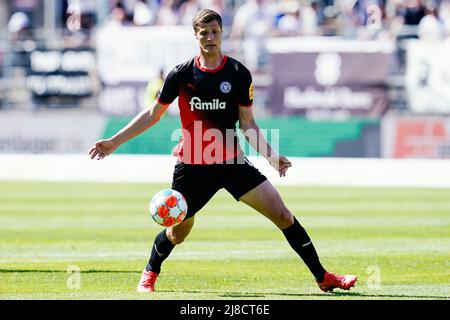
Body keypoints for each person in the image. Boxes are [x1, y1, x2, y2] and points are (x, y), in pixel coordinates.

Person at [89, 9, 357, 294]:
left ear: (222, 32)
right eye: (204, 32)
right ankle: (150, 272)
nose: (210, 37)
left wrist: (271, 156)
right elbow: (153, 114)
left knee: (283, 216)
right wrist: (115, 142)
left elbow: (248, 124)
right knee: (178, 233)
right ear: (195, 36)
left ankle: (323, 277)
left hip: (232, 164)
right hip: (192, 167)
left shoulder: (238, 74)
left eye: (214, 31)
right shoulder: (181, 74)